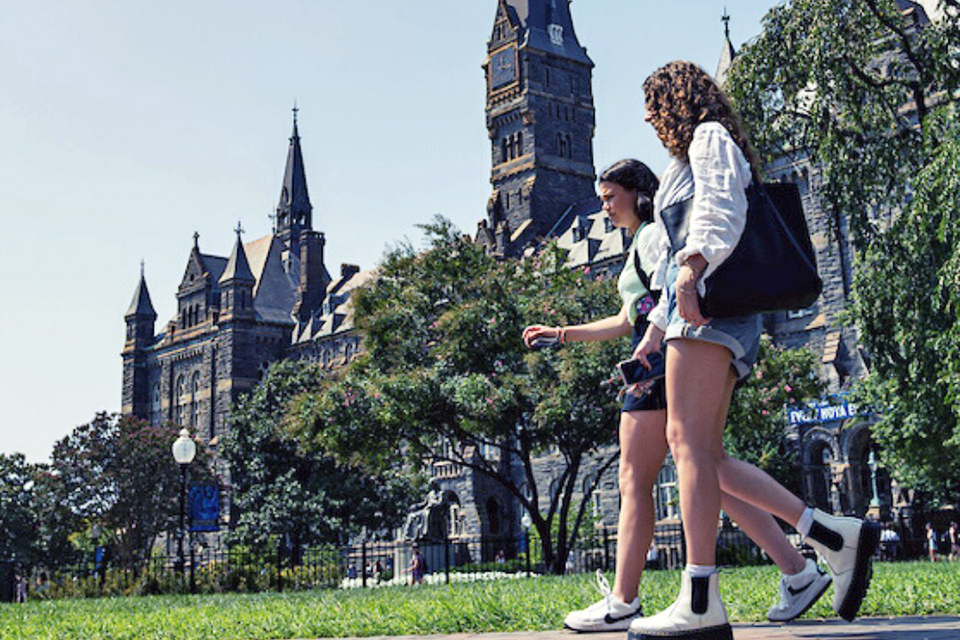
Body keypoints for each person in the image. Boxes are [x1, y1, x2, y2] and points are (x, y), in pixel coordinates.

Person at [627, 61, 879, 640]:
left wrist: (689, 276)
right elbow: (672, 257)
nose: (646, 116)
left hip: (714, 308)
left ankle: (701, 598)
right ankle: (833, 537)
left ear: (675, 100)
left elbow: (719, 213)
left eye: (652, 102)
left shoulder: (708, 138)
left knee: (687, 447)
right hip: (696, 309)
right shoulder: (680, 158)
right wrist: (655, 328)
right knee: (704, 458)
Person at [523, 159, 829, 632]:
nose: (604, 207)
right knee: (708, 476)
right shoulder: (641, 242)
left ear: (638, 193)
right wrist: (561, 334)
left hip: (656, 363)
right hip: (661, 354)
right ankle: (798, 568)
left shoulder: (650, 234)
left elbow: (659, 305)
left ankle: (622, 600)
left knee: (636, 478)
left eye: (610, 196)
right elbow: (626, 320)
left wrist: (648, 353)